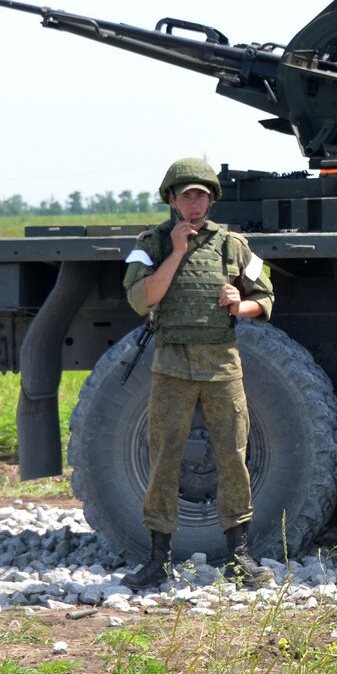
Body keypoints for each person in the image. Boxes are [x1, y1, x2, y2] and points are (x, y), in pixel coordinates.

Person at [120, 158, 276, 590]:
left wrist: (236, 304)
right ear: (171, 199)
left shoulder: (234, 246)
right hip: (171, 365)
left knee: (232, 457)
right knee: (165, 459)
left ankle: (239, 556)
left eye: (202, 194)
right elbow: (142, 299)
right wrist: (177, 253)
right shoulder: (149, 245)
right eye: (187, 194)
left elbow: (265, 299)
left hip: (221, 364)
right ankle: (157, 560)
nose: (195, 202)